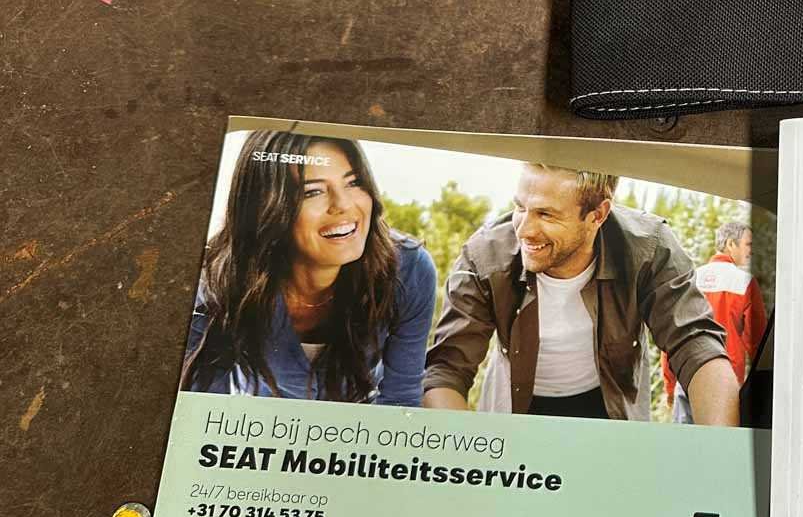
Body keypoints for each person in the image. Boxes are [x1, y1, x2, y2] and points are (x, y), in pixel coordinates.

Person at [422, 163, 740, 424]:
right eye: (520, 207)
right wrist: (468, 462)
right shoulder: (484, 255)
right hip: (515, 407)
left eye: (546, 214)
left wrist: (721, 454)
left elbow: (696, 346)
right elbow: (446, 371)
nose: (524, 230)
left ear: (597, 215)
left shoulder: (649, 248)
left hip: (609, 407)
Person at [181, 131, 436, 405]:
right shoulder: (216, 277)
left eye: (354, 182)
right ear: (265, 207)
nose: (344, 205)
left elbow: (401, 400)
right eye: (312, 191)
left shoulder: (408, 270)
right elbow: (197, 404)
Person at [663, 220, 768, 423]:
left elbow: (669, 337)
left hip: (686, 380)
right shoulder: (745, 282)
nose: (751, 251)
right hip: (725, 385)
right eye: (748, 244)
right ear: (730, 244)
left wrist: (670, 384)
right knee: (721, 441)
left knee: (683, 442)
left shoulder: (689, 279)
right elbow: (758, 344)